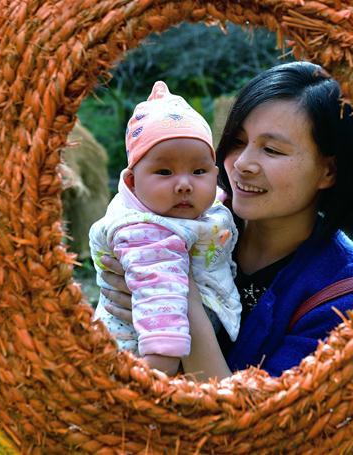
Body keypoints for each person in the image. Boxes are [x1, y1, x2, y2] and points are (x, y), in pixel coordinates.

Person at [100, 62, 353, 379]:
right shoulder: (196, 219)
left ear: (328, 171)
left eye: (271, 150)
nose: (242, 164)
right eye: (237, 141)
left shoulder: (343, 299)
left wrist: (180, 296)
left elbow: (254, 419)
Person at [89, 81, 241, 375]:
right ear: (133, 182)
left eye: (198, 171)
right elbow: (159, 294)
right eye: (164, 172)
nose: (184, 184)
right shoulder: (146, 231)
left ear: (214, 175)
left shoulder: (191, 211)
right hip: (144, 352)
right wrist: (160, 364)